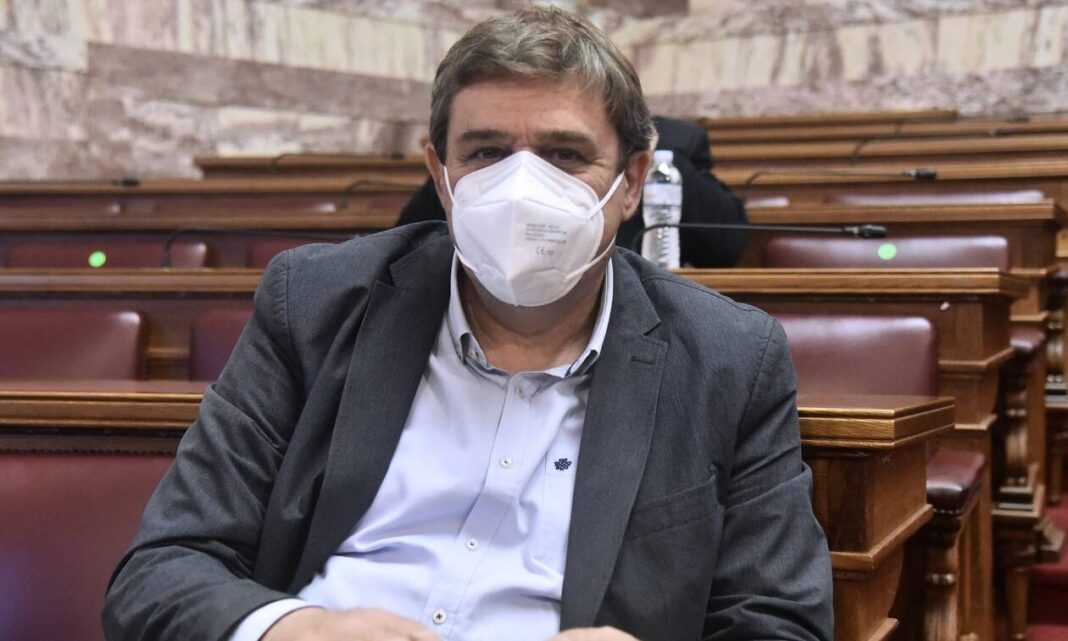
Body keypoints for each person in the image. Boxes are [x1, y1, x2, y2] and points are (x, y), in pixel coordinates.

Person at [104, 7, 832, 641]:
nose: (522, 187)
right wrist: (295, 627)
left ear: (632, 182)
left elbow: (780, 622)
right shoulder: (316, 304)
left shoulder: (728, 357)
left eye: (565, 155)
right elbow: (162, 569)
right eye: (486, 153)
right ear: (440, 173)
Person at [397, 116, 748, 268]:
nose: (524, 179)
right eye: (491, 152)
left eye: (565, 154)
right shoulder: (463, 166)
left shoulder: (666, 149)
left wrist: (660, 149)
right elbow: (407, 249)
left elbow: (725, 246)